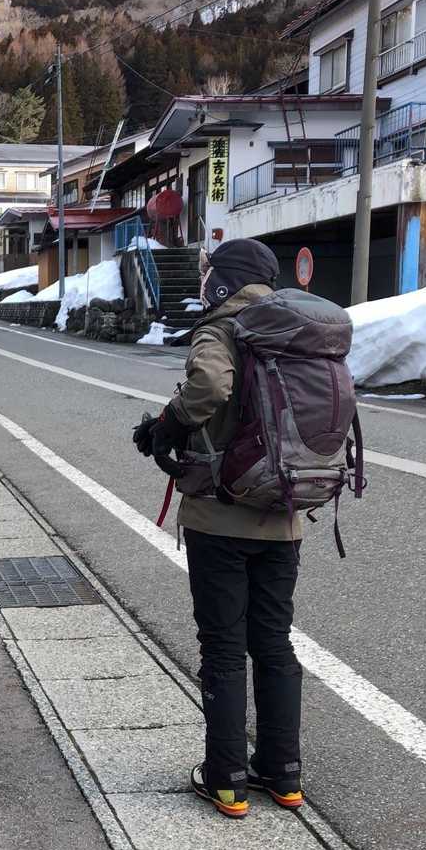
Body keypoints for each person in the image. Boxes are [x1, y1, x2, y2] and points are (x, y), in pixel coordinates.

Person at [134, 239, 303, 819]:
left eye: (210, 273)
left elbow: (209, 385)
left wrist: (171, 423)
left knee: (225, 647)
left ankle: (227, 779)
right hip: (283, 514)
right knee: (274, 643)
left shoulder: (222, 328)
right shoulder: (294, 331)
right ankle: (283, 773)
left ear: (226, 281)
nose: (204, 281)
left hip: (219, 516)